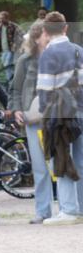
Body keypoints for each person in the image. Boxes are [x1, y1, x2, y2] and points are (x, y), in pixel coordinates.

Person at [36, 12, 83, 225]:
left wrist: (46, 112)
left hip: (59, 113)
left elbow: (45, 88)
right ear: (65, 29)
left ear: (46, 31)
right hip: (79, 110)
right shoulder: (78, 51)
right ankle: (80, 207)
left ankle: (69, 209)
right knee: (81, 160)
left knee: (62, 156)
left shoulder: (48, 54)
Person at [10, 22, 55, 223]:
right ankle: (43, 211)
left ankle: (69, 209)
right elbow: (15, 89)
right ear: (38, 37)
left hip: (56, 117)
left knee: (59, 164)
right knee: (39, 167)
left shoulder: (58, 57)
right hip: (33, 117)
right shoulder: (25, 61)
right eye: (46, 35)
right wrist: (17, 110)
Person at [0, 11, 21, 86]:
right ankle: (13, 82)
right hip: (3, 50)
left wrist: (16, 43)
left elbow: (22, 34)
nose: (1, 20)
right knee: (7, 67)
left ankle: (11, 83)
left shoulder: (13, 26)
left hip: (11, 50)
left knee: (7, 65)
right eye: (0, 18)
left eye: (2, 18)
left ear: (7, 18)